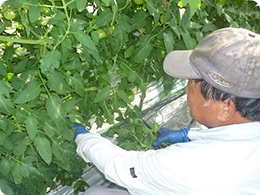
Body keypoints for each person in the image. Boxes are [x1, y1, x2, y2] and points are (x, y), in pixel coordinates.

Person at [73, 27, 260, 195]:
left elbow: (122, 166)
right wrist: (190, 135)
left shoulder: (191, 166)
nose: (186, 90)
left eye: (191, 85)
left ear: (225, 108)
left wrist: (82, 137)